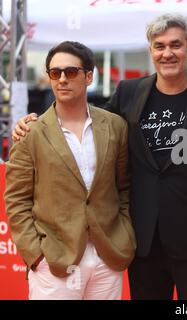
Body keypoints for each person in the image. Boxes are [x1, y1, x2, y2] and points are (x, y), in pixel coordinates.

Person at [12, 14, 187, 300]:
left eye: (176, 44)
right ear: (150, 50)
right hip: (143, 239)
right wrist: (34, 122)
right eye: (159, 45)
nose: (167, 53)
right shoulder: (128, 92)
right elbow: (90, 124)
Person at [3, 41, 136, 300]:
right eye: (55, 73)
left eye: (71, 72)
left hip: (107, 256)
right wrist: (36, 255)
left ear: (88, 76)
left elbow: (124, 187)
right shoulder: (31, 133)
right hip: (54, 261)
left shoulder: (115, 126)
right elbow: (16, 200)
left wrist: (124, 233)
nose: (62, 79)